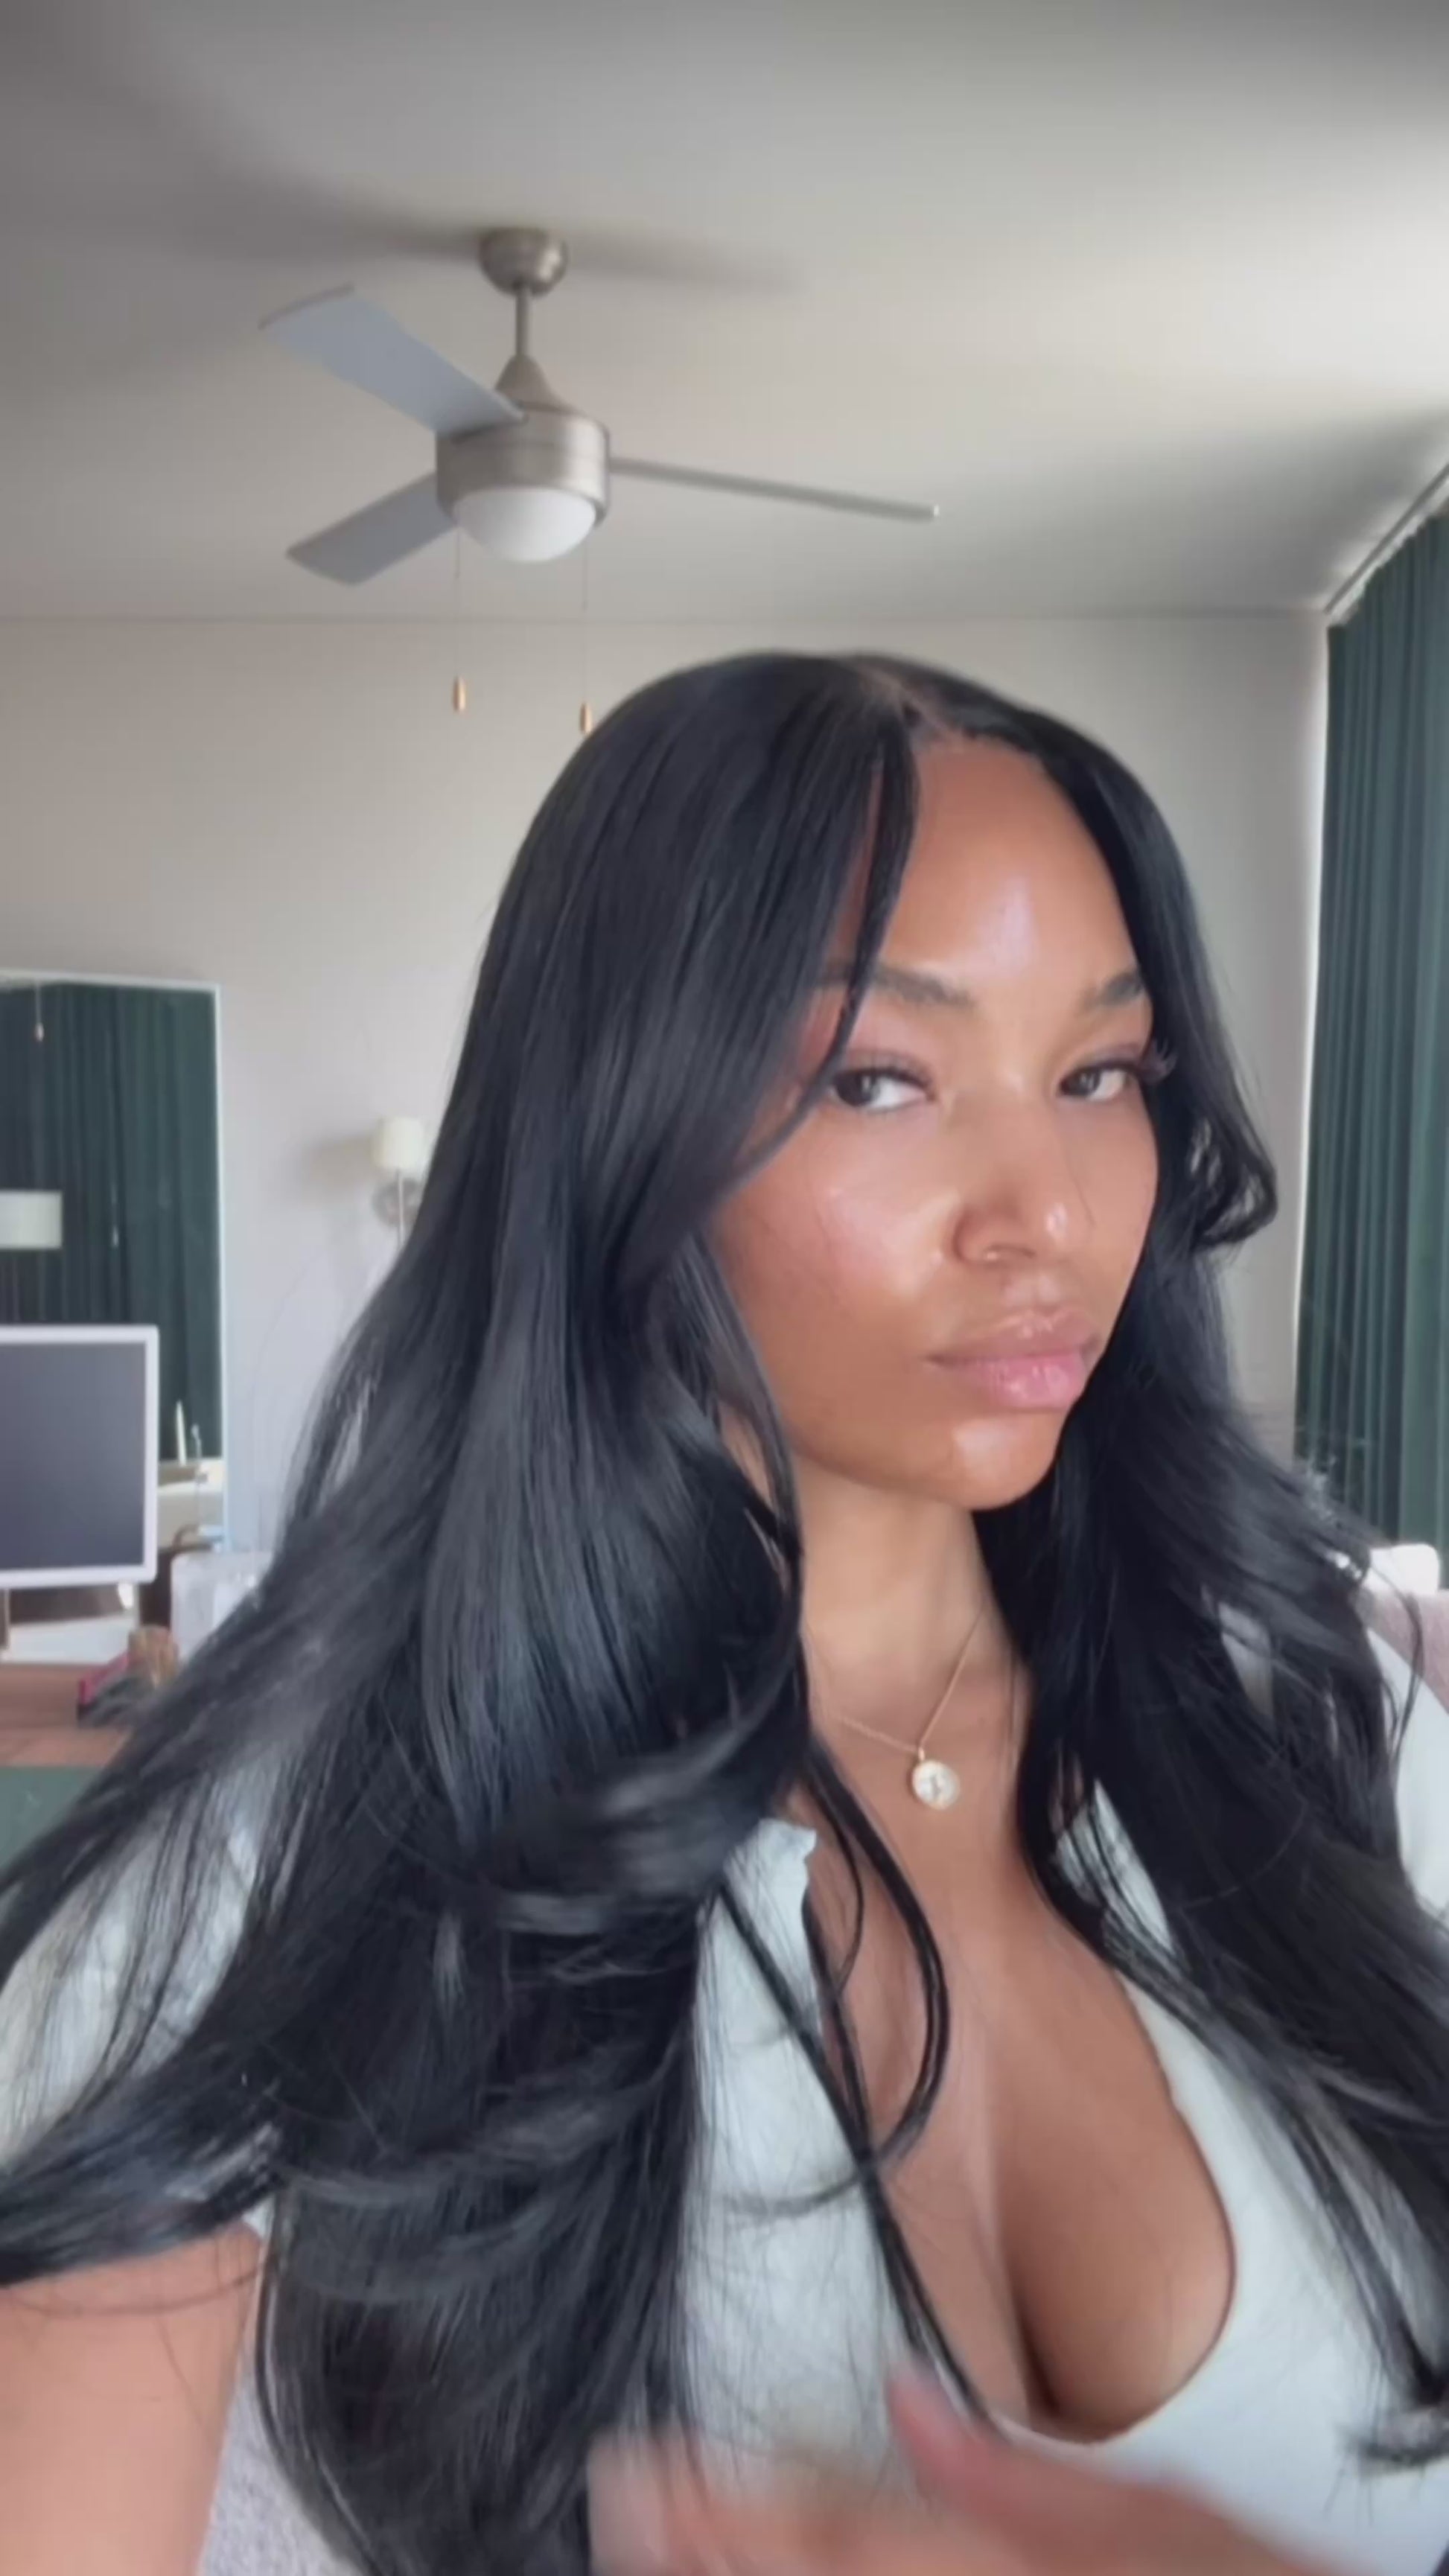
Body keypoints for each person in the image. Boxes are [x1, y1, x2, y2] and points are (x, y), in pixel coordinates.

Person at [0, 653, 1446, 2576]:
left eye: (1100, 1074)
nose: (1044, 1214)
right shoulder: (270, 1880)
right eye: (878, 1077)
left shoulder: (1334, 1726)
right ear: (619, 1126)